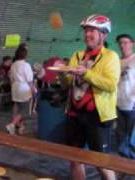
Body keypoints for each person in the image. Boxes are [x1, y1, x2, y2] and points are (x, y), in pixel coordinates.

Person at [60, 14, 120, 180]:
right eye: (86, 30)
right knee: (75, 159)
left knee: (101, 162)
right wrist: (60, 74)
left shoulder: (110, 57)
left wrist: (86, 73)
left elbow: (110, 85)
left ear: (104, 34)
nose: (87, 34)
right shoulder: (77, 55)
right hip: (74, 114)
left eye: (92, 30)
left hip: (97, 118)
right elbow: (68, 83)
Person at [6, 46, 34, 135]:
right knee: (24, 109)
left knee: (16, 105)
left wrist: (12, 87)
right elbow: (29, 79)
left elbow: (11, 78)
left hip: (15, 86)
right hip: (23, 87)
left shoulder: (13, 64)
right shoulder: (26, 65)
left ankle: (18, 125)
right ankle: (12, 124)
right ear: (25, 55)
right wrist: (33, 89)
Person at [116, 33, 135, 159]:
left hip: (133, 104)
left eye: (126, 42)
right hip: (118, 104)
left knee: (132, 138)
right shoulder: (116, 61)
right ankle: (124, 165)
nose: (123, 45)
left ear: (132, 44)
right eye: (120, 43)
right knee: (121, 136)